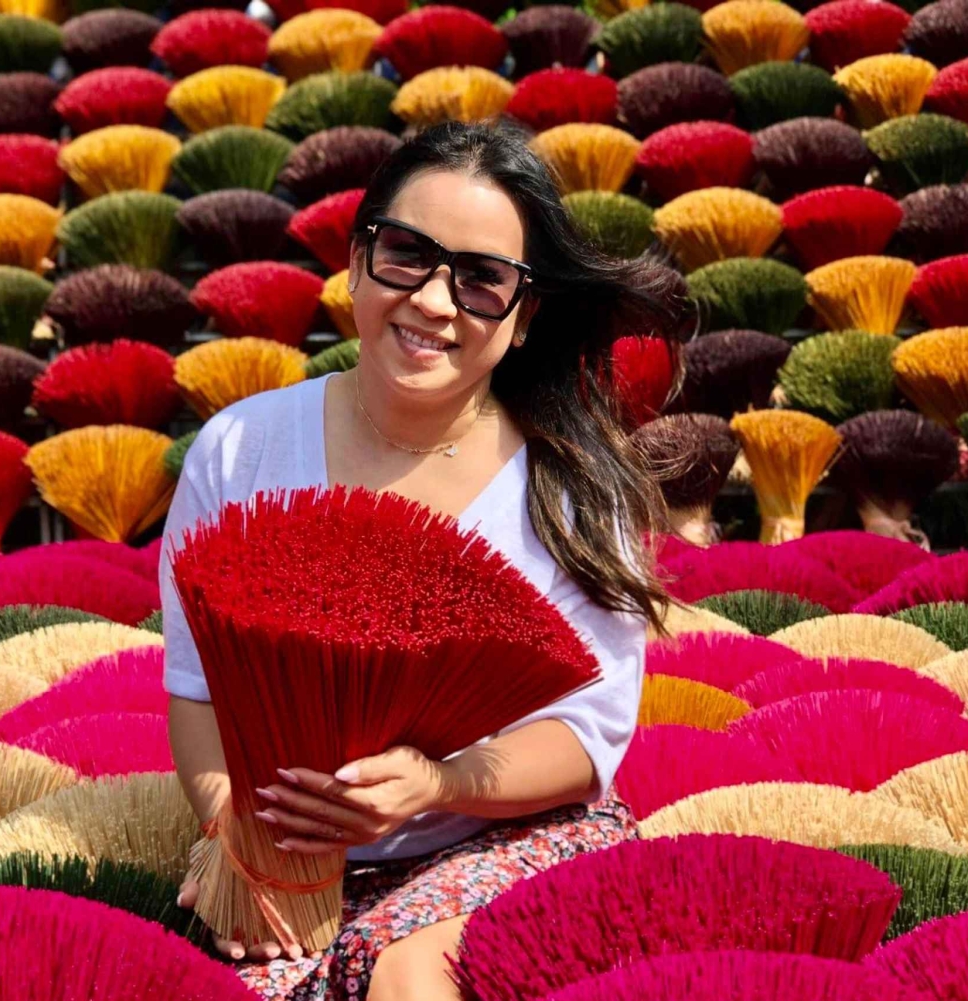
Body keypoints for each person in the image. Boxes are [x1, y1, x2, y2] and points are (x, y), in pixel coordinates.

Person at [160, 120, 686, 1001]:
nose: (436, 301)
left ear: (524, 316)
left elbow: (588, 735)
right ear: (357, 262)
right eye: (407, 254)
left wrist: (438, 784)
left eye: (482, 279)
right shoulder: (240, 450)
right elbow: (198, 689)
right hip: (297, 863)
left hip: (501, 837)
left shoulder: (570, 491)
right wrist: (235, 836)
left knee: (408, 978)